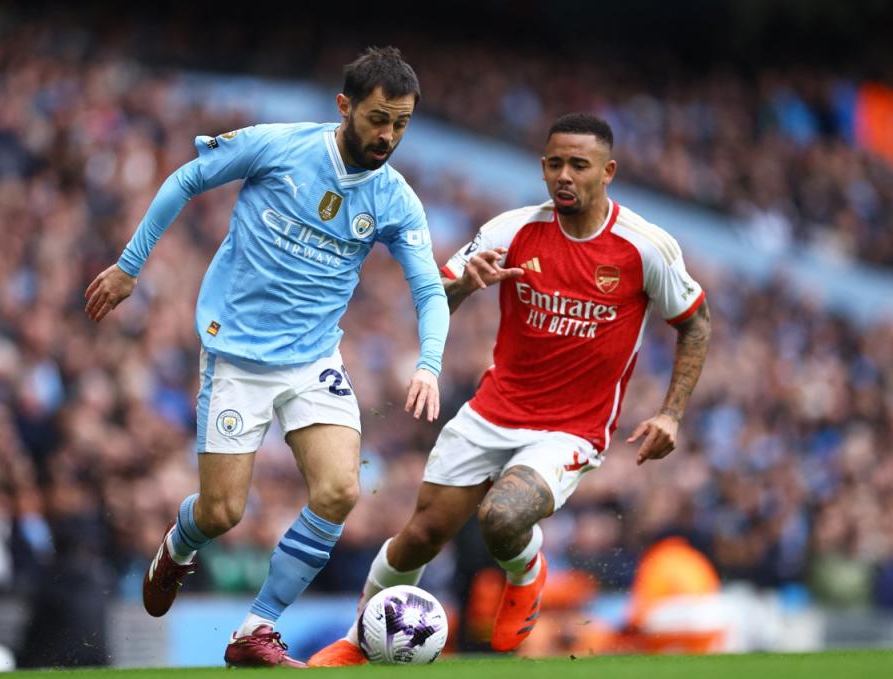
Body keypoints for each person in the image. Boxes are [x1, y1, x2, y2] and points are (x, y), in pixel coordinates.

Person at [84, 46, 449, 668]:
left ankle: (256, 629)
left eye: (401, 123)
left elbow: (427, 288)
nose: (388, 135)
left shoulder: (395, 199)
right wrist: (129, 265)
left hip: (312, 361)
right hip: (236, 356)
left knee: (339, 490)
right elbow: (187, 179)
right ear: (345, 106)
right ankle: (180, 543)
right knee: (222, 512)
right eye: (378, 119)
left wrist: (430, 363)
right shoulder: (279, 146)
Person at [310, 112, 712, 666]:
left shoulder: (644, 247)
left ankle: (527, 571)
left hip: (571, 428)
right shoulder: (512, 230)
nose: (563, 175)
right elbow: (433, 296)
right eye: (554, 163)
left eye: (578, 164)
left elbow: (695, 321)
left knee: (501, 516)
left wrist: (671, 413)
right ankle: (359, 643)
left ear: (608, 171)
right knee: (421, 535)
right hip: (492, 411)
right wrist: (465, 286)